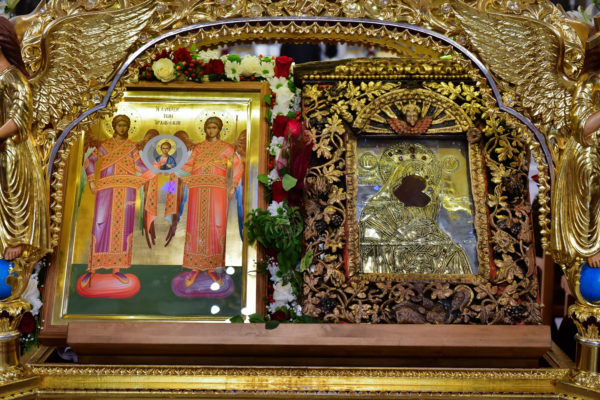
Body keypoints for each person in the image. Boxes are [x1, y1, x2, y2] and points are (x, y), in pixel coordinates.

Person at [167, 117, 243, 288]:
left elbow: (238, 165)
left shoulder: (226, 148)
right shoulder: (199, 148)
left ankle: (212, 268)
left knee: (215, 227)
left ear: (219, 129)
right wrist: (174, 176)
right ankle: (195, 268)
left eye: (214, 127)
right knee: (195, 226)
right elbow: (188, 166)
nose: (211, 130)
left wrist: (233, 186)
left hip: (217, 192)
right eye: (208, 127)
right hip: (197, 190)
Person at [81, 114, 150, 290]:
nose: (122, 128)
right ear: (114, 127)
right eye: (119, 125)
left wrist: (158, 166)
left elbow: (141, 166)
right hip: (106, 189)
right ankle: (92, 268)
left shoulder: (131, 147)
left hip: (127, 190)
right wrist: (91, 181)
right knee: (100, 224)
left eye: (125, 125)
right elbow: (89, 161)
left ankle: (117, 268)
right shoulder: (106, 146)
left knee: (123, 227)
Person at [0, 17, 49, 263]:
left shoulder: (12, 77)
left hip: (14, 147)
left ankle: (16, 238)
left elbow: (20, 117)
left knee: (12, 190)